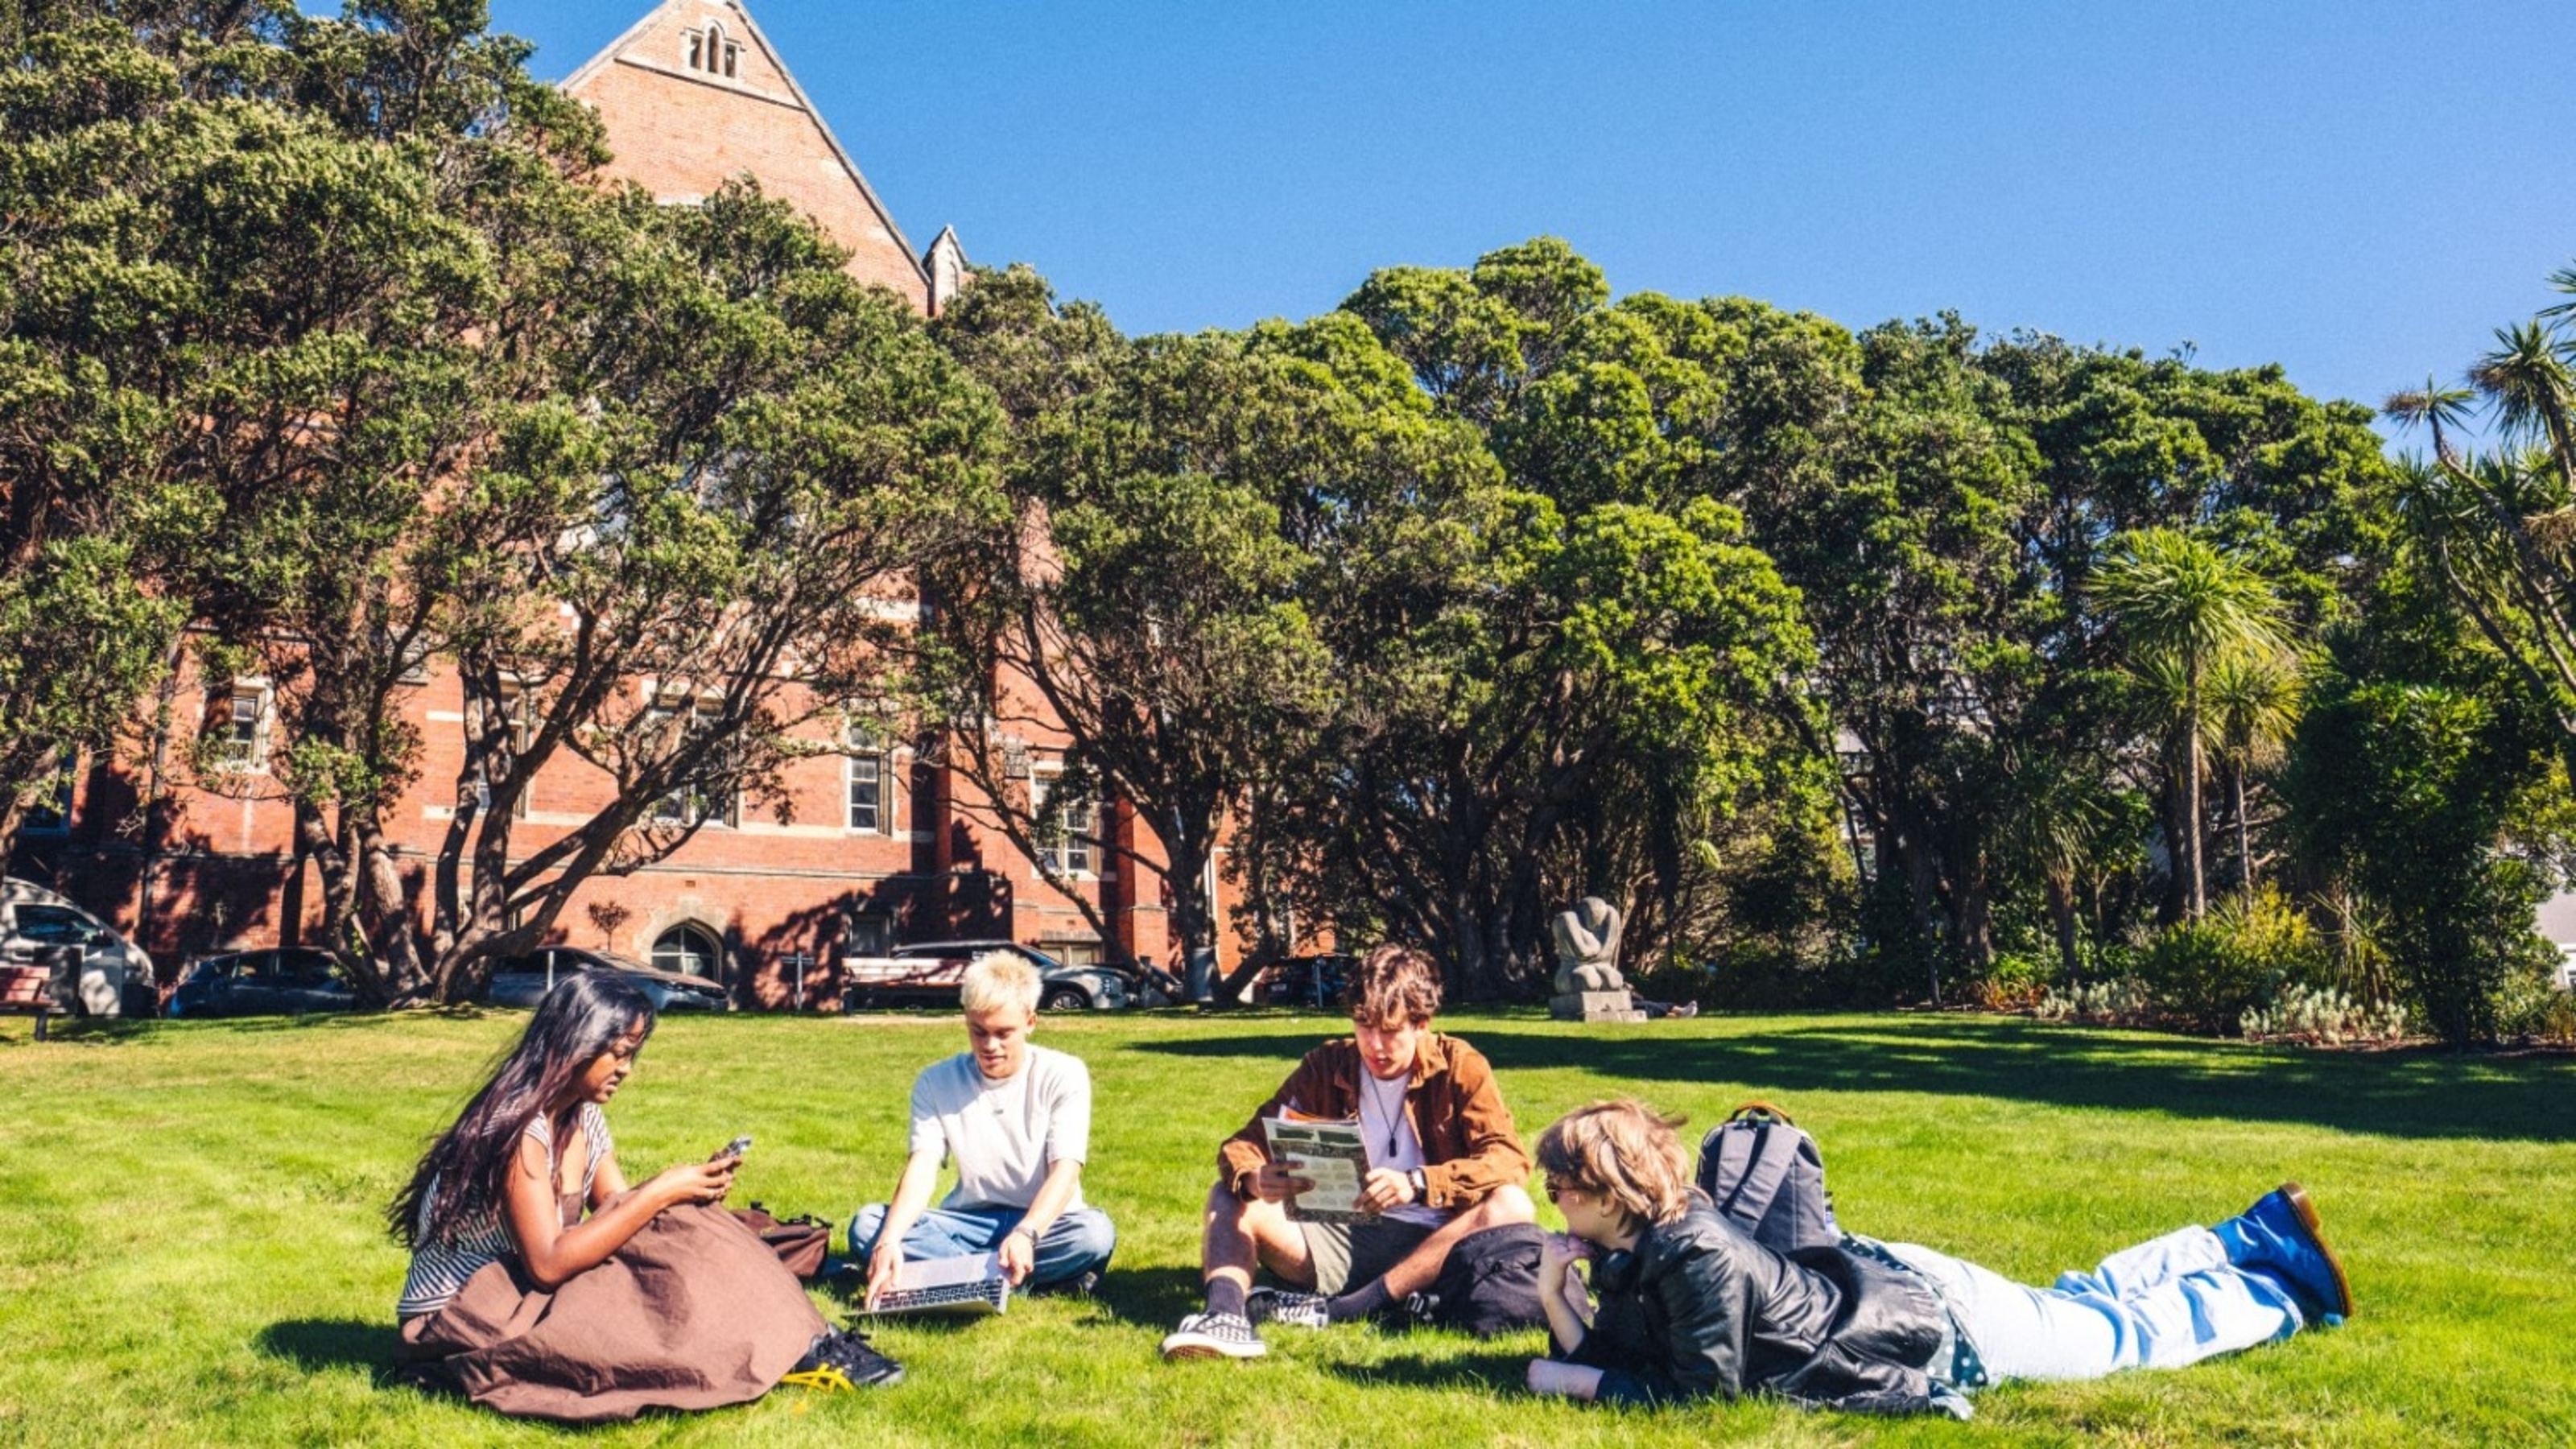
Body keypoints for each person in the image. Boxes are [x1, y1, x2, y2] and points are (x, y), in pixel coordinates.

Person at [1525, 1100, 2353, 1418]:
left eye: (1558, 1182)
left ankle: (2278, 1292)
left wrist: (1576, 1381)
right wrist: (1554, 1295)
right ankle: (2240, 1238)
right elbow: (1631, 1354)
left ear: (1607, 1191)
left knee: (2118, 1338)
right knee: (2079, 1298)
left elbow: (1702, 1394)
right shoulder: (1638, 1241)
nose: (1549, 1195)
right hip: (1889, 1282)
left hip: (1929, 1324)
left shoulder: (1688, 1252)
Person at [388, 972, 897, 1422]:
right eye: (619, 1052)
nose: (626, 1069)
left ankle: (808, 1339)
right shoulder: (519, 1131)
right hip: (465, 1314)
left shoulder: (581, 1116)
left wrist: (691, 1191)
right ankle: (789, 1346)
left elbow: (623, 1212)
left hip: (521, 1282)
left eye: (632, 1054)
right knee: (639, 1312)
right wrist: (660, 1191)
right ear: (575, 1044)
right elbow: (547, 1264)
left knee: (681, 1226)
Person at [1161, 943, 1538, 1360]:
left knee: (1512, 1203)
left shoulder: (1460, 1065)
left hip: (1437, 1241)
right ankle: (1225, 1316)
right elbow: (1242, 1145)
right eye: (1363, 1026)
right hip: (1340, 1232)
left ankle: (1348, 1309)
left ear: (1422, 1025)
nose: (1375, 1045)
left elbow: (1507, 1158)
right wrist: (1254, 1177)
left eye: (1390, 1030)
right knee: (1228, 1192)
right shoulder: (1327, 1064)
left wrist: (1418, 1183)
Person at [853, 952, 1116, 1303]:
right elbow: (922, 1167)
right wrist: (889, 1241)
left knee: (1095, 1234)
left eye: (1003, 1033)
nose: (990, 1046)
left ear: (1031, 1022)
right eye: (978, 1032)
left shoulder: (1064, 1073)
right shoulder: (936, 1080)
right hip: (968, 1222)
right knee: (868, 1226)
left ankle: (954, 1276)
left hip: (1045, 1223)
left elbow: (1066, 1171)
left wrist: (1027, 1233)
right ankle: (1016, 1279)